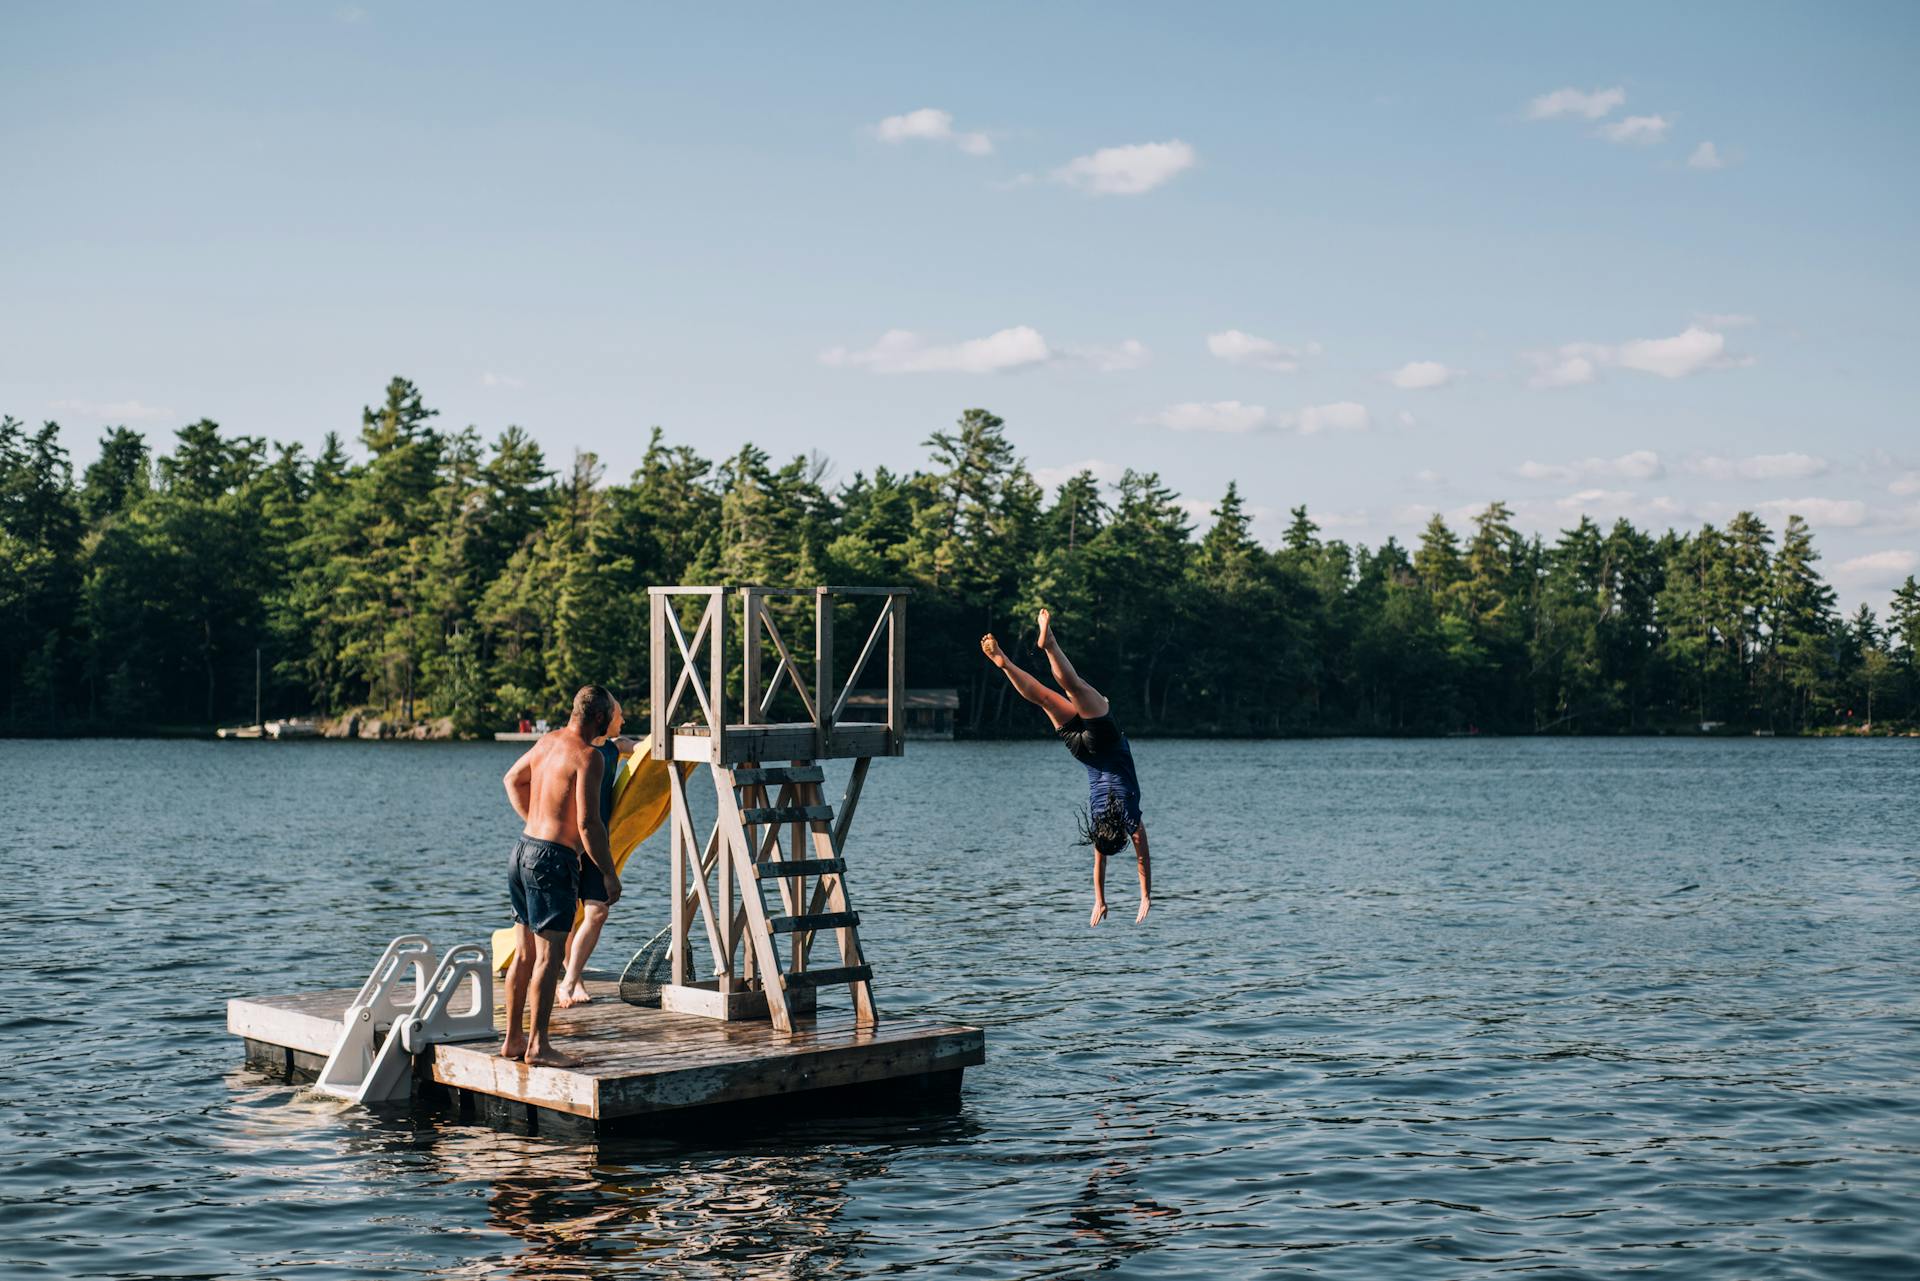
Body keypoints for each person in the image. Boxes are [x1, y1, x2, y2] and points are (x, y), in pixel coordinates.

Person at [981, 609, 1151, 926]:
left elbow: (1143, 856)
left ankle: (1050, 643)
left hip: (1108, 742)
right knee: (1045, 699)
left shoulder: (1127, 816)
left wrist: (1146, 894)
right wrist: (1099, 899)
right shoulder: (1101, 824)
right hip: (1082, 752)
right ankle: (1005, 662)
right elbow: (1103, 863)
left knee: (1072, 686)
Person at [499, 684, 623, 1065]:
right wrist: (608, 873)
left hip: (522, 851)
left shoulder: (547, 741)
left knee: (523, 954)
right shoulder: (590, 756)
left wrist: (537, 823)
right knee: (548, 958)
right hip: (552, 860)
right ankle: (539, 1047)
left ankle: (513, 1041)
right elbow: (589, 824)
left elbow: (512, 780)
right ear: (600, 719)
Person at [556, 696, 643, 1008]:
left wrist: (680, 732)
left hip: (596, 842)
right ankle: (573, 979)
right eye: (619, 716)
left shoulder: (614, 747)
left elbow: (648, 748)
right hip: (569, 841)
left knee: (597, 911)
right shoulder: (574, 748)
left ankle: (569, 979)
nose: (622, 721)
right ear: (603, 717)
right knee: (567, 915)